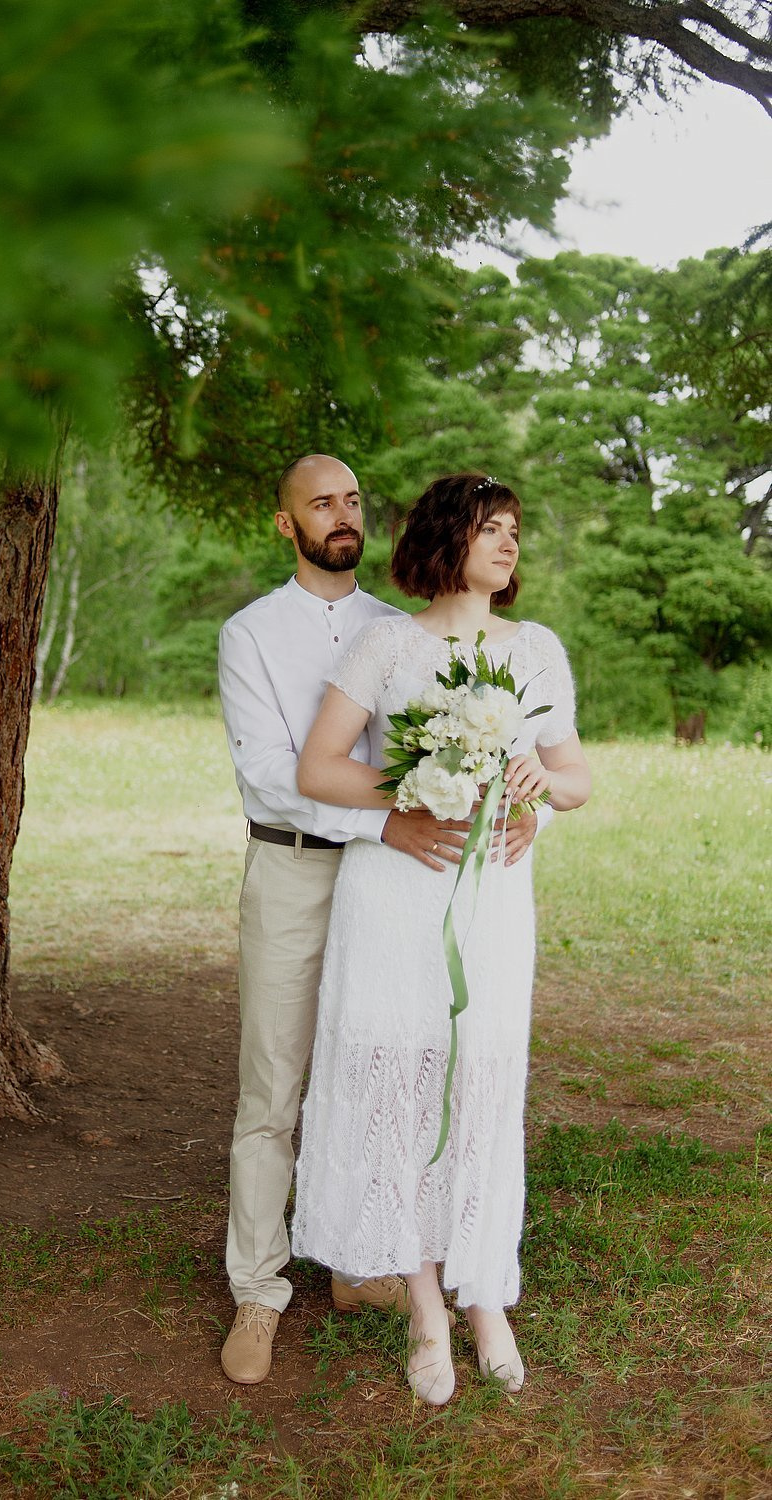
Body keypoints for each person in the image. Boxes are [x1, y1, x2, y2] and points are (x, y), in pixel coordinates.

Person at [217, 455, 543, 1386]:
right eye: (320, 503)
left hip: (397, 884)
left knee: (391, 1069)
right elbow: (277, 772)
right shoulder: (251, 634)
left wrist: (507, 801)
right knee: (274, 1086)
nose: (340, 514)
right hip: (295, 864)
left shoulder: (402, 627)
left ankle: (370, 1263)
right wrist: (391, 818)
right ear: (287, 525)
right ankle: (260, 1287)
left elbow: (499, 748)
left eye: (353, 499)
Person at [292, 471, 591, 1406]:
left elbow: (575, 773)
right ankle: (424, 1304)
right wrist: (414, 792)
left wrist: (545, 793)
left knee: (479, 1079)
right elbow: (318, 767)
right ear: (445, 540)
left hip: (494, 901)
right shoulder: (387, 645)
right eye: (489, 528)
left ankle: (483, 1293)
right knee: (404, 1081)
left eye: (514, 530)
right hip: (398, 892)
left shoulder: (537, 649)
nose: (507, 544)